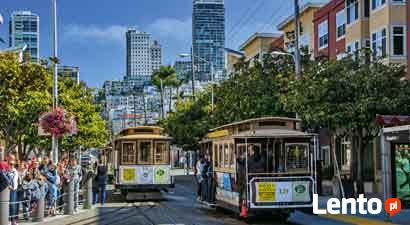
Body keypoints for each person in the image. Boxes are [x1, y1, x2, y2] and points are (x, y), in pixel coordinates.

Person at [7, 154, 19, 225]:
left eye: (12, 164)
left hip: (13, 190)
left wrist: (12, 187)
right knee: (6, 205)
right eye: (10, 163)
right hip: (6, 191)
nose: (11, 165)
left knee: (12, 205)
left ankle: (13, 220)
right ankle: (7, 219)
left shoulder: (15, 171)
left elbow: (14, 181)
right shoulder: (5, 169)